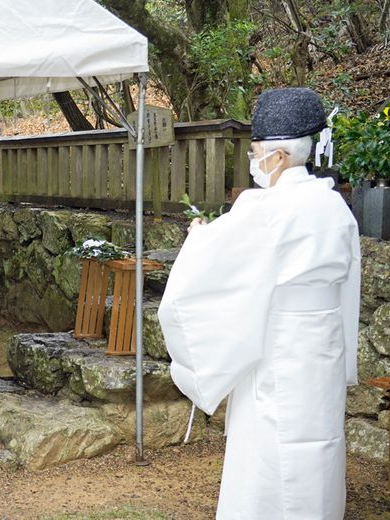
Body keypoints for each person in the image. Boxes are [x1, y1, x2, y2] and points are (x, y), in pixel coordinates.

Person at [157, 87, 361, 519]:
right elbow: (348, 288)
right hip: (322, 350)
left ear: (280, 156)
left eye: (256, 152)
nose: (254, 161)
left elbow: (218, 265)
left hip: (280, 347)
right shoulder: (336, 206)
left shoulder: (266, 208)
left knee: (271, 451)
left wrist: (198, 240)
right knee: (317, 448)